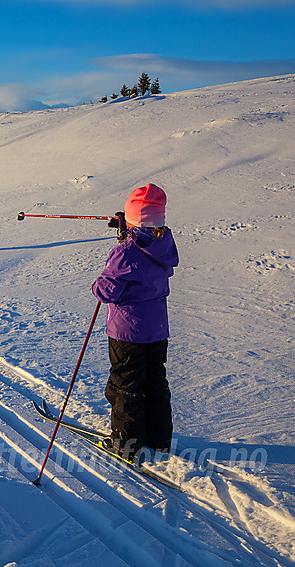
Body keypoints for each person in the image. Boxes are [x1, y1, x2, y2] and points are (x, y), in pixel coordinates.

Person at [91, 183, 179, 461]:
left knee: (124, 385)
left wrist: (98, 283)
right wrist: (128, 232)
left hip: (127, 332)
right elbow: (143, 245)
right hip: (157, 330)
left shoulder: (125, 252)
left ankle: (126, 444)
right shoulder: (164, 242)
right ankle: (159, 438)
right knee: (154, 381)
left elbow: (107, 291)